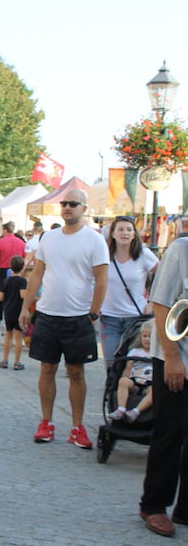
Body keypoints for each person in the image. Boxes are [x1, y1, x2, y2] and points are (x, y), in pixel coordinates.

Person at [20, 190, 109, 449]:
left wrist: (93, 312)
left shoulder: (94, 240)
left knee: (76, 373)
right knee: (46, 369)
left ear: (84, 208)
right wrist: (26, 308)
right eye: (64, 203)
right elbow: (37, 274)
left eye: (73, 204)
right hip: (47, 314)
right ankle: (46, 422)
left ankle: (77, 427)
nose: (67, 207)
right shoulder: (49, 238)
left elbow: (102, 279)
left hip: (78, 317)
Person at [138, 234, 188, 537]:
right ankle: (153, 505)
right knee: (170, 434)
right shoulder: (181, 249)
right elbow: (160, 304)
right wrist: (171, 357)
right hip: (176, 358)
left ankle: (185, 509)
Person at [100, 215, 158, 368]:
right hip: (109, 318)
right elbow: (94, 280)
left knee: (132, 365)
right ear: (112, 233)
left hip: (135, 317)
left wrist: (152, 301)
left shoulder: (143, 255)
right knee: (111, 365)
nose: (124, 233)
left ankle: (126, 391)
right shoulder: (104, 255)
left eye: (128, 230)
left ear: (134, 234)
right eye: (120, 229)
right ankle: (113, 392)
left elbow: (161, 275)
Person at [107, 319, 153, 423]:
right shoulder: (135, 351)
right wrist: (124, 377)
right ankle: (121, 409)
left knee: (156, 391)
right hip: (135, 382)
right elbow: (128, 369)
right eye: (145, 336)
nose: (147, 339)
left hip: (150, 384)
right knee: (123, 381)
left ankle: (136, 411)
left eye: (151, 337)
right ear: (140, 337)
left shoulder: (158, 353)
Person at [0, 221, 25, 326]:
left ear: (5, 230)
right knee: (15, 296)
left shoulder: (0, 242)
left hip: (2, 270)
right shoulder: (21, 243)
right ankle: (14, 317)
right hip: (17, 270)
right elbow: (24, 258)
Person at [0, 256, 27, 371]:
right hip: (18, 311)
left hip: (8, 310)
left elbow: (0, 297)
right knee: (18, 337)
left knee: (8, 335)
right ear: (23, 267)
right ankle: (17, 362)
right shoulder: (22, 281)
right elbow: (23, 295)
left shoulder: (6, 281)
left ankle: (5, 360)